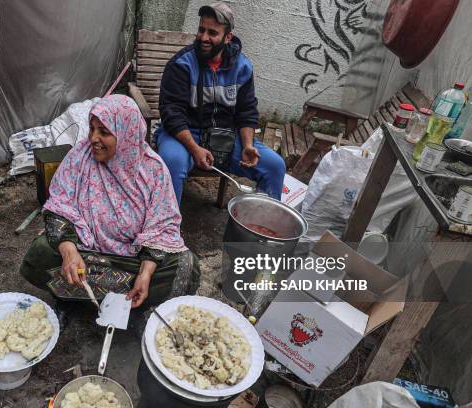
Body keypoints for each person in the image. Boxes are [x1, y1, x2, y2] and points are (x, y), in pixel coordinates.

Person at [19, 95, 199, 331]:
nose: (94, 138)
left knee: (186, 265)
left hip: (131, 260)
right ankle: (68, 297)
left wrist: (145, 274)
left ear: (126, 134)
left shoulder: (153, 171)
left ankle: (127, 297)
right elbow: (58, 207)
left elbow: (162, 227)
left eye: (104, 132)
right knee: (41, 251)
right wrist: (69, 252)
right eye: (92, 129)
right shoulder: (79, 158)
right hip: (85, 253)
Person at [155, 2, 286, 204]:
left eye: (212, 33)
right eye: (201, 30)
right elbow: (171, 113)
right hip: (185, 133)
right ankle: (165, 231)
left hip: (224, 136)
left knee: (275, 166)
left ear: (228, 37)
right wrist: (194, 148)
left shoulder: (242, 67)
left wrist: (248, 145)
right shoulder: (181, 64)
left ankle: (262, 228)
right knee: (173, 161)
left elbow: (247, 112)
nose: (204, 37)